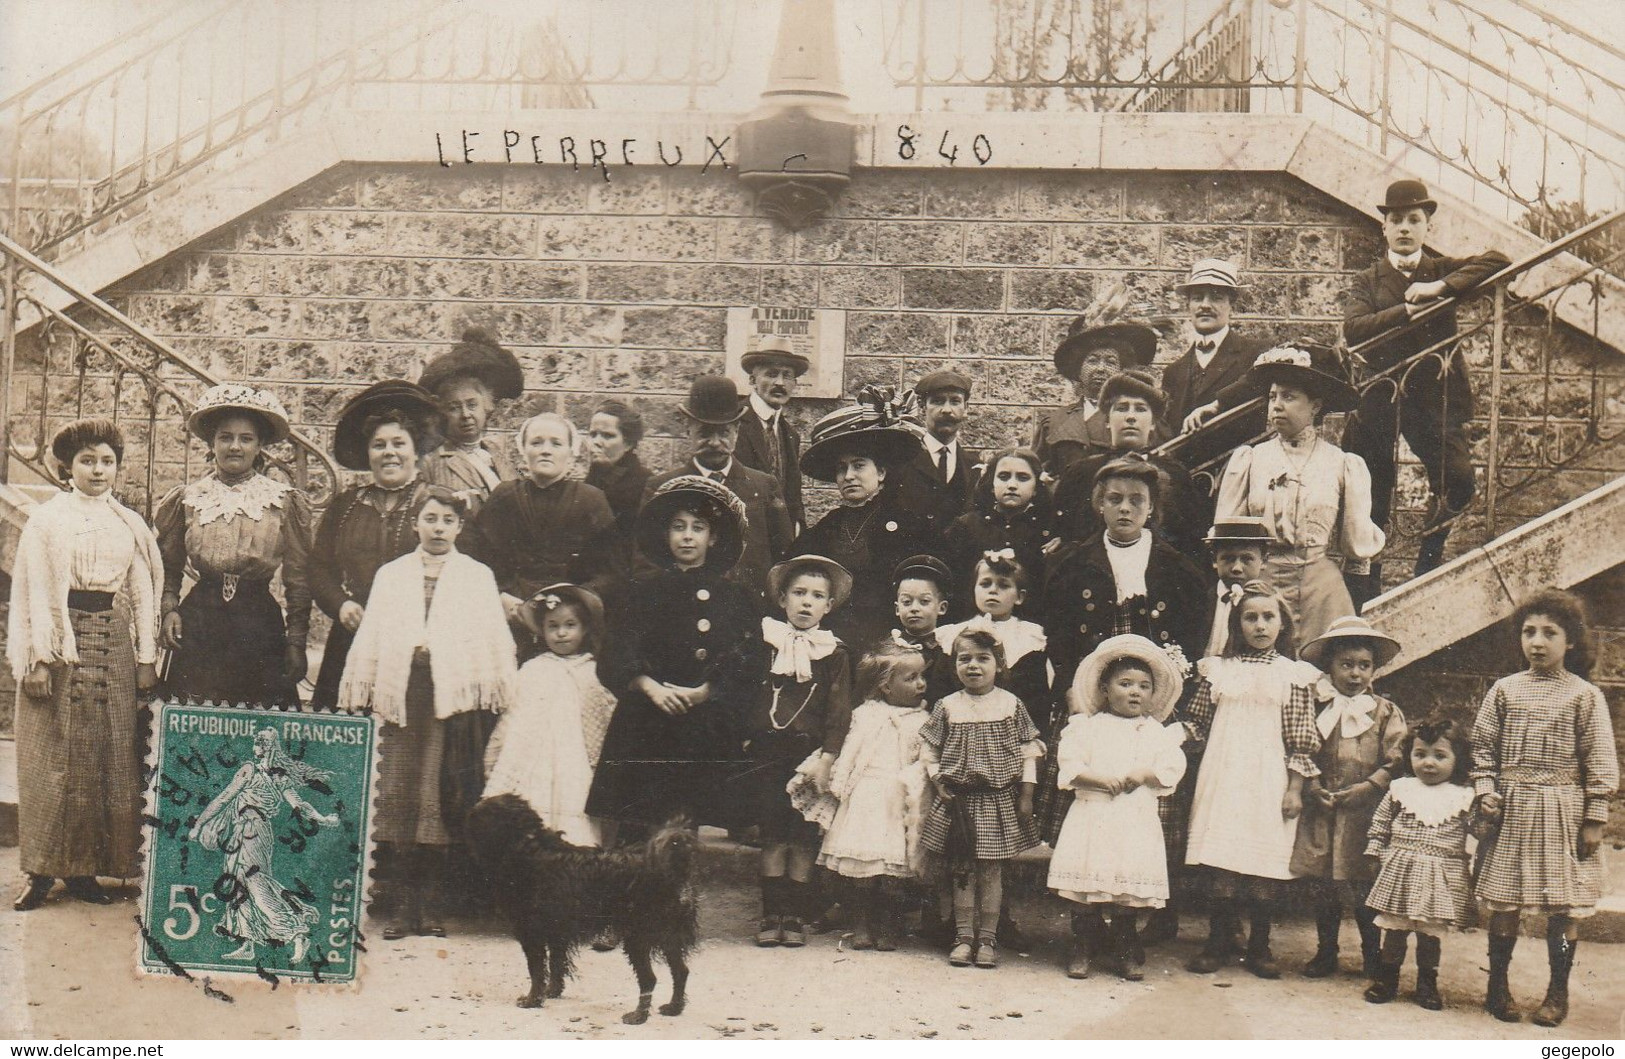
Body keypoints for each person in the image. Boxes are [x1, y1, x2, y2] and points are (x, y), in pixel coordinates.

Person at [338, 487, 516, 939]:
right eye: (430, 518)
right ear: (415, 523)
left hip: (447, 700)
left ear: (460, 527)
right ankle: (402, 904)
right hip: (403, 696)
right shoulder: (393, 575)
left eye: (448, 520)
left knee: (436, 794)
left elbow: (491, 639)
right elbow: (376, 633)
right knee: (398, 792)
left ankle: (432, 903)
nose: (438, 528)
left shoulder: (476, 576)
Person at [9, 419, 163, 912]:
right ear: (67, 467)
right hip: (59, 647)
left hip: (110, 646)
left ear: (118, 467)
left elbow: (141, 592)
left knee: (103, 762)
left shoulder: (129, 523)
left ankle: (84, 872)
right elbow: (32, 590)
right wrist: (36, 659)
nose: (98, 470)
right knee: (50, 761)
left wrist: (144, 659)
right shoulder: (48, 519)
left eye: (107, 461)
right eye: (87, 460)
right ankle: (40, 872)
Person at [1342, 179, 1509, 578]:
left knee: (1458, 481)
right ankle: (1369, 578)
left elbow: (1499, 260)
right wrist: (1405, 311)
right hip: (1381, 395)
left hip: (1434, 396)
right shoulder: (1369, 279)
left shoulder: (1440, 270)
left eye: (1413, 220)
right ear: (1383, 227)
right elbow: (1354, 327)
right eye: (1396, 219)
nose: (1404, 228)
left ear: (1426, 226)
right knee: (1375, 494)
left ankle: (1427, 563)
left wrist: (1440, 287)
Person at [586, 477, 768, 833]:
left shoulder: (736, 597)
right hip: (648, 720)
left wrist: (707, 691)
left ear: (712, 538)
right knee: (641, 818)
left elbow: (749, 658)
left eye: (698, 528)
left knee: (689, 818)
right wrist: (649, 686)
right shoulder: (641, 592)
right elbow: (616, 650)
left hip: (704, 722)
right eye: (678, 527)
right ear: (666, 535)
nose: (687, 536)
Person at [1472, 588, 1618, 1027]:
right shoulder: (1503, 691)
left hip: (1563, 812)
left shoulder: (1585, 696)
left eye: (1549, 633)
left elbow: (1600, 758)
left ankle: (1557, 994)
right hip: (1512, 810)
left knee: (1564, 905)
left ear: (1570, 641)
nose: (1537, 641)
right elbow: (1483, 749)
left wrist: (1595, 817)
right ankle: (1497, 986)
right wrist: (1485, 791)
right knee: (1505, 902)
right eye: (1528, 631)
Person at [1183, 582, 1321, 979]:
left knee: (1262, 865)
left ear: (1282, 624)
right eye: (1251, 617)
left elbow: (1301, 738)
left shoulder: (1293, 675)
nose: (1260, 626)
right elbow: (1196, 725)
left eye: (1268, 617)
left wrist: (1295, 788)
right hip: (1224, 774)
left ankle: (1260, 945)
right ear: (1236, 623)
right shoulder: (1219, 671)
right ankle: (1218, 941)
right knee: (1222, 863)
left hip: (1267, 778)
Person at [1215, 344, 1386, 650]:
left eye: (1289, 397)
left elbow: (1356, 548)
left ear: (1315, 406)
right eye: (1272, 397)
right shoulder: (1251, 460)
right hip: (1260, 589)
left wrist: (1354, 600)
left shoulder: (1341, 463)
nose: (1276, 406)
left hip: (1321, 591)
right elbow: (1229, 537)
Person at [155, 384, 311, 706]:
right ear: (212, 443)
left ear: (260, 447)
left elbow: (298, 577)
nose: (235, 447)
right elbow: (168, 565)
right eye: (225, 437)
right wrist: (170, 608)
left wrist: (295, 640)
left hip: (258, 623)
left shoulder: (281, 501)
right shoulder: (189, 498)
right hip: (201, 620)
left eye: (246, 439)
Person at [1047, 635, 1188, 981]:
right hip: (1093, 816)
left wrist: (1144, 773)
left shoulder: (1156, 732)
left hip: (1134, 819)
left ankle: (1125, 945)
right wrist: (1096, 778)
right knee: (1087, 885)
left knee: (1127, 889)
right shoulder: (1087, 727)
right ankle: (1082, 945)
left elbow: (1172, 766)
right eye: (1125, 684)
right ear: (1105, 689)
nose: (1135, 692)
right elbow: (1070, 763)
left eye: (1143, 686)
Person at [741, 556, 855, 949]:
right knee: (773, 834)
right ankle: (771, 913)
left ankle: (794, 914)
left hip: (809, 756)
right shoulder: (766, 643)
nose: (807, 602)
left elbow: (839, 711)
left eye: (817, 596)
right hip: (769, 751)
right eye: (799, 593)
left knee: (803, 837)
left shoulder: (834, 653)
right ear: (783, 599)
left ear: (829, 605)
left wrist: (828, 757)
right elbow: (750, 694)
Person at [308, 380, 439, 710]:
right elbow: (318, 567)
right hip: (353, 636)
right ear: (368, 454)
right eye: (379, 445)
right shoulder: (346, 505)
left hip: (412, 640)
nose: (389, 452)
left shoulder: (434, 504)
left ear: (415, 449)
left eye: (399, 443)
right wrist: (340, 605)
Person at [1290, 616, 1407, 980]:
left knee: (1363, 886)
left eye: (1363, 666)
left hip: (1365, 814)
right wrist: (1312, 787)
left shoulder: (1385, 712)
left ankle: (1372, 954)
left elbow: (1398, 758)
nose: (1355, 674)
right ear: (1329, 666)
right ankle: (1326, 951)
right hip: (1323, 808)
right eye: (1346, 665)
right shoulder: (1317, 708)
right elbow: (1301, 749)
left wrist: (1370, 786)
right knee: (1324, 886)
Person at [919, 628, 1043, 970]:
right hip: (959, 800)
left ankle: (987, 938)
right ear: (954, 665)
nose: (973, 666)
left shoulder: (1010, 704)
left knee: (990, 871)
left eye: (983, 658)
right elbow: (929, 748)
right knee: (961, 870)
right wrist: (936, 779)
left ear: (999, 664)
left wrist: (1027, 794)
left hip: (997, 798)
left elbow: (1028, 751)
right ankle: (963, 937)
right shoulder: (948, 706)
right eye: (965, 659)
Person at [801, 643, 933, 952]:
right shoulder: (864, 714)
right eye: (911, 678)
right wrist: (830, 776)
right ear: (886, 686)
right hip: (866, 798)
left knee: (893, 871)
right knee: (861, 868)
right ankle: (859, 922)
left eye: (921, 676)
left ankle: (886, 922)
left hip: (899, 798)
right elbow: (848, 751)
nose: (921, 684)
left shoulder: (923, 718)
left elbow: (925, 757)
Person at [1044, 455, 1209, 700]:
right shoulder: (1073, 566)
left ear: (1151, 506)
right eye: (1114, 498)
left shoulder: (1177, 568)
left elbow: (1192, 635)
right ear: (1100, 504)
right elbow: (1059, 636)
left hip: (1154, 691)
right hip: (1091, 689)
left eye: (1137, 500)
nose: (1125, 508)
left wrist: (1173, 686)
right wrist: (1071, 690)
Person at [794, 388, 937, 652]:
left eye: (859, 466)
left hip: (888, 643)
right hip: (833, 644)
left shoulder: (909, 526)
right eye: (841, 468)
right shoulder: (828, 527)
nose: (848, 476)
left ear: (881, 472)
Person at [483, 583, 616, 849]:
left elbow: (604, 717)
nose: (562, 633)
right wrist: (495, 755)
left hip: (576, 759)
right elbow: (512, 716)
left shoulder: (594, 672)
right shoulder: (532, 670)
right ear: (542, 631)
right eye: (553, 626)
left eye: (570, 625)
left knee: (574, 805)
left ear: (585, 628)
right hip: (533, 756)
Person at [188, 729, 339, 962]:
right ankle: (248, 943)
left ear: (262, 748)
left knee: (256, 886)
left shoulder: (255, 772)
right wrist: (321, 818)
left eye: (259, 744)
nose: (257, 748)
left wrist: (198, 826)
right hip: (244, 832)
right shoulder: (277, 775)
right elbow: (300, 806)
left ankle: (296, 933)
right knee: (238, 886)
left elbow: (223, 798)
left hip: (253, 832)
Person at [641, 374, 793, 604]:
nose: (714, 442)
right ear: (688, 430)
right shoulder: (662, 489)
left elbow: (785, 560)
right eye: (704, 433)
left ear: (737, 431)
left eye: (723, 433)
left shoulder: (763, 486)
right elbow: (645, 564)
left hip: (751, 615)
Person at [469, 413, 621, 640]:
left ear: (571, 453)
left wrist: (575, 600)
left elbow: (610, 571)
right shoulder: (505, 496)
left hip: (570, 622)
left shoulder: (591, 500)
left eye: (556, 443)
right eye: (536, 442)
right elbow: (480, 559)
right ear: (523, 450)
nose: (545, 450)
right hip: (511, 612)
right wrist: (502, 596)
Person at [1361, 717, 1475, 1011]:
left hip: (1440, 873)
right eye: (1420, 754)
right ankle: (1387, 978)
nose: (1428, 763)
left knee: (1429, 933)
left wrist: (1487, 816)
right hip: (1402, 867)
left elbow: (1475, 830)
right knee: (1396, 928)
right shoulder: (1401, 789)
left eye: (1440, 756)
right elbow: (1381, 823)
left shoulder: (1463, 796)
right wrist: (1375, 851)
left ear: (1457, 759)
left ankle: (1427, 982)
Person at [1051, 370, 1207, 563]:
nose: (1130, 417)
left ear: (1153, 423)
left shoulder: (1175, 474)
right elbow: (1063, 535)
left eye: (1140, 409)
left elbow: (1190, 541)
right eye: (1122, 408)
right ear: (1107, 421)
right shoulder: (1080, 473)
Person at [1032, 296, 1160, 478]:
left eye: (1110, 361)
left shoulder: (1134, 417)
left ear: (1121, 370)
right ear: (1078, 368)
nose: (1100, 368)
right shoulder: (1054, 422)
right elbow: (1034, 471)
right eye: (1092, 361)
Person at [1160, 259, 1270, 468]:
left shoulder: (1256, 354)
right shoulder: (1173, 372)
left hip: (1239, 475)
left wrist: (1218, 404)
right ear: (1188, 306)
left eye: (1216, 298)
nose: (1205, 305)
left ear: (1232, 305)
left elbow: (1266, 380)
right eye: (1197, 298)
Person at [934, 551, 1051, 731]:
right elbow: (942, 689)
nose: (993, 590)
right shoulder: (955, 634)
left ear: (1019, 597)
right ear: (974, 590)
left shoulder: (1030, 638)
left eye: (1003, 585)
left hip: (1010, 728)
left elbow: (1037, 698)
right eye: (985, 584)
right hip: (963, 725)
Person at [942, 447, 1059, 622]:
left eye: (1023, 478)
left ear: (1036, 487)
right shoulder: (966, 526)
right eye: (1004, 477)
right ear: (991, 484)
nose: (1012, 485)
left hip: (1028, 625)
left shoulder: (1048, 531)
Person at [416, 328, 524, 516]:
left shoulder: (496, 456)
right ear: (443, 414)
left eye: (472, 404)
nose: (465, 414)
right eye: (454, 407)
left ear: (487, 406)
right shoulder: (430, 462)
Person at [888, 371, 981, 541]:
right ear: (923, 407)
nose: (947, 410)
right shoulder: (901, 460)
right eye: (937, 401)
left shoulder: (975, 467)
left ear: (966, 408)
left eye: (955, 401)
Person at [734, 339, 808, 533]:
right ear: (752, 380)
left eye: (787, 376)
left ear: (795, 384)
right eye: (771, 374)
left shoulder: (790, 435)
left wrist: (797, 526)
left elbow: (792, 493)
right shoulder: (733, 422)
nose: (780, 383)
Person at [585, 399, 652, 561]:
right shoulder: (591, 480)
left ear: (628, 443)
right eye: (593, 434)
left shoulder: (646, 484)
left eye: (608, 436)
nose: (596, 442)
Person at [890, 555, 959, 709]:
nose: (914, 608)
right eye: (907, 602)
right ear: (897, 608)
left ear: (942, 608)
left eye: (924, 601)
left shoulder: (948, 648)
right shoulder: (892, 647)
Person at [1200, 517, 1275, 658]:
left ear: (1264, 561)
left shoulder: (1271, 606)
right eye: (1228, 558)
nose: (1236, 568)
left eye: (1247, 559)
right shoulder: (1197, 601)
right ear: (1214, 560)